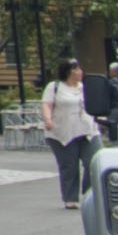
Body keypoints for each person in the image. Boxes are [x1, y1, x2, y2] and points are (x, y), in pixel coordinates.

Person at [41, 59, 96, 208]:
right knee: (69, 165)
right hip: (63, 131)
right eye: (77, 69)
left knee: (93, 161)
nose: (80, 72)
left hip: (87, 130)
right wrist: (47, 119)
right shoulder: (55, 87)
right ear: (69, 71)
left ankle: (90, 193)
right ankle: (70, 198)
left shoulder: (84, 87)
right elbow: (47, 104)